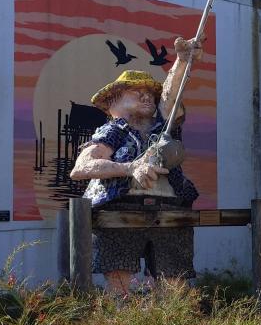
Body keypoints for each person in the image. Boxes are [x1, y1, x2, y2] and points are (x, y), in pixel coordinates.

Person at [70, 36, 202, 297]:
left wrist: (182, 61)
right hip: (120, 210)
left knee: (174, 283)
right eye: (135, 91)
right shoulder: (112, 130)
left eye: (149, 93)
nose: (146, 96)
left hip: (169, 209)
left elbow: (170, 96)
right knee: (119, 281)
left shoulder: (163, 127)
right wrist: (131, 168)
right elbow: (82, 167)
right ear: (113, 103)